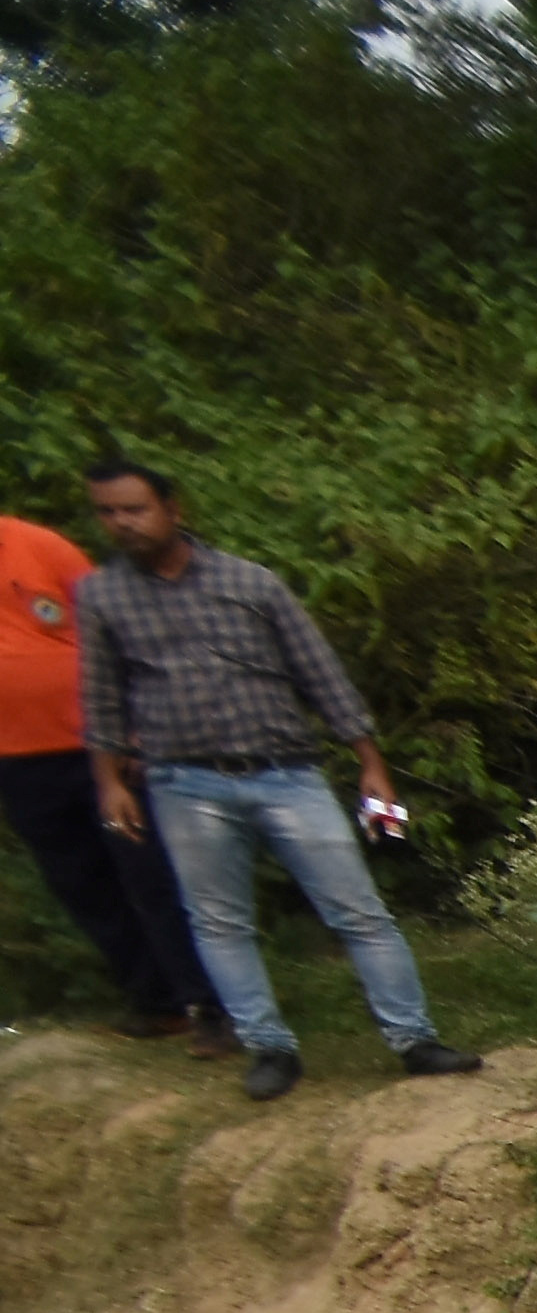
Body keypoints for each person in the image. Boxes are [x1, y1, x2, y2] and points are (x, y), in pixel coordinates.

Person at [73, 456, 462, 1104]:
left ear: (174, 510)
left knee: (360, 911)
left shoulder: (251, 582)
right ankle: (268, 1046)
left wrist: (371, 764)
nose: (122, 524)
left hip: (287, 774)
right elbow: (101, 695)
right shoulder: (102, 595)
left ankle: (414, 1039)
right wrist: (109, 782)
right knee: (220, 922)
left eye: (134, 509)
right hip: (183, 782)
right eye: (108, 512)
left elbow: (321, 674)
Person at [1, 490, 207, 1037]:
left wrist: (137, 724)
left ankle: (209, 1000)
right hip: (17, 760)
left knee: (149, 872)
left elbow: (116, 628)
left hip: (100, 744)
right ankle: (155, 1000)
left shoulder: (36, 544)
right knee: (82, 883)